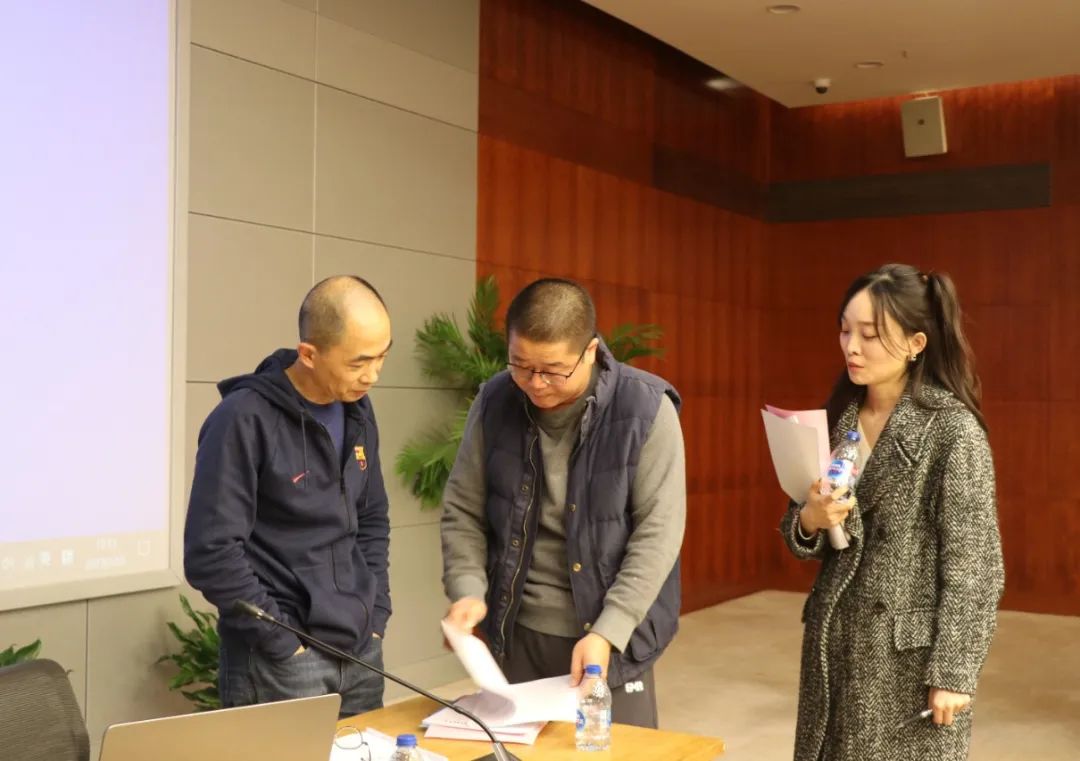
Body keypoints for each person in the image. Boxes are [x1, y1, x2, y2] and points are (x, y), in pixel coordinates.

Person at [781, 263, 1004, 761]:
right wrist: (810, 519)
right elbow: (799, 525)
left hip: (906, 661)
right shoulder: (839, 417)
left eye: (870, 335)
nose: (851, 347)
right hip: (834, 646)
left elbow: (975, 566)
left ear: (915, 344)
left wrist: (954, 673)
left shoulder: (953, 431)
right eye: (845, 330)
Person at [440, 278, 686, 728]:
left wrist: (609, 631)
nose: (535, 384)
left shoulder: (646, 409)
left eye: (553, 370)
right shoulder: (496, 399)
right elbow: (463, 508)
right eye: (520, 365)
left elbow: (658, 533)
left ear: (590, 351)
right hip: (516, 631)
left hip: (610, 638)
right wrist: (468, 589)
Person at [185, 275, 393, 717]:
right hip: (282, 660)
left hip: (360, 650)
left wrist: (375, 616)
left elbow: (372, 519)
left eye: (381, 358)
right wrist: (283, 642)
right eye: (358, 363)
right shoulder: (242, 419)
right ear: (309, 354)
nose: (372, 376)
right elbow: (211, 552)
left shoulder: (357, 409)